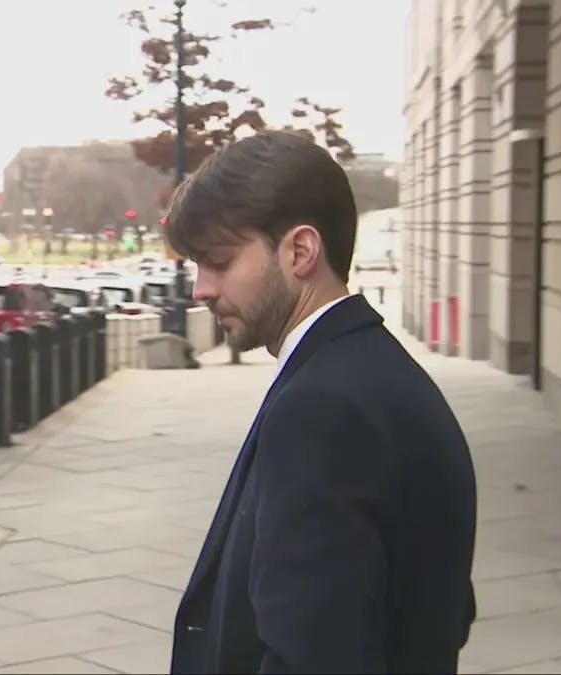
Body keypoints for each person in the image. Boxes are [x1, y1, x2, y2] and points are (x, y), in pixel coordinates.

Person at [165, 130, 477, 674]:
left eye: (218, 260)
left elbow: (315, 653)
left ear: (300, 251)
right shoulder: (369, 372)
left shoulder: (325, 410)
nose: (201, 289)